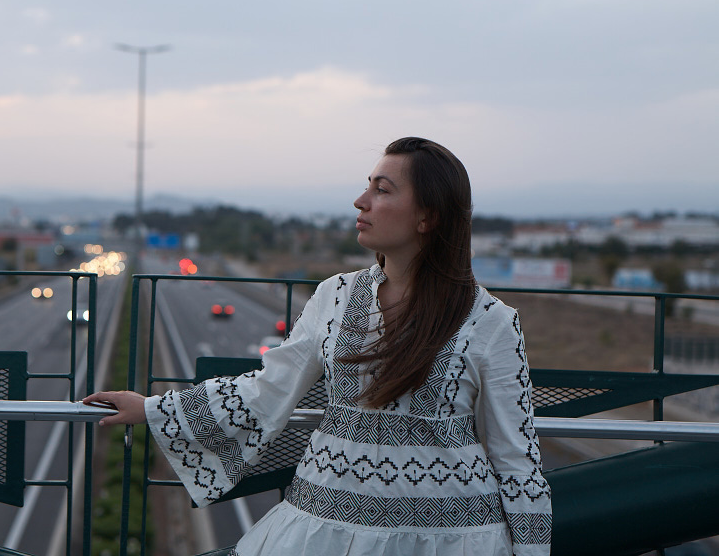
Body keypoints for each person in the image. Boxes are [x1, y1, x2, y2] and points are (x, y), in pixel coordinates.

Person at [84, 137, 552, 555]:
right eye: (367, 186)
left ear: (429, 215)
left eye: (383, 190)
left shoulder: (491, 321)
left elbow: (518, 460)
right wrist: (154, 409)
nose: (360, 201)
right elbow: (271, 387)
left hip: (454, 538)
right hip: (324, 523)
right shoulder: (337, 296)